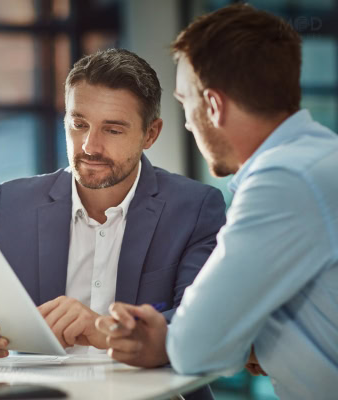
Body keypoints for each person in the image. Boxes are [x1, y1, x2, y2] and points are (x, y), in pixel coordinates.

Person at [0, 49, 226, 373]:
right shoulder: (13, 204)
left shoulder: (194, 208)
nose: (90, 145)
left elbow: (201, 322)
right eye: (79, 124)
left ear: (150, 133)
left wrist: (103, 330)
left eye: (112, 130)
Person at [96, 4, 338, 399]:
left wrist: (171, 339)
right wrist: (251, 342)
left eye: (185, 103)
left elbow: (196, 347)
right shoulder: (317, 158)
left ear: (213, 105)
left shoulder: (283, 180)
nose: (188, 122)